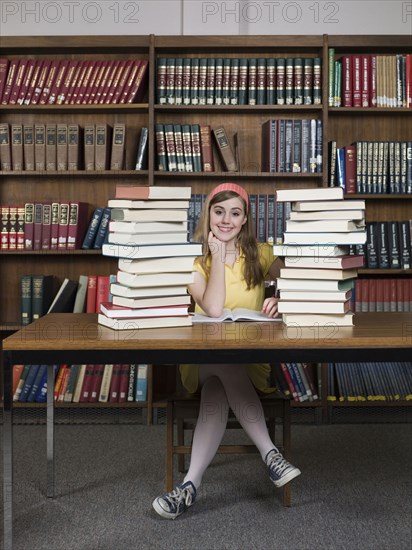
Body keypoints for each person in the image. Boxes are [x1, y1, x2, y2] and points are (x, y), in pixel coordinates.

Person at [152, 182, 301, 520]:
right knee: (220, 362)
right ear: (208, 214)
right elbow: (215, 310)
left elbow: (301, 282)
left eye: (235, 213)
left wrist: (283, 298)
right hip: (201, 360)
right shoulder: (192, 260)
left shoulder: (261, 254)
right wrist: (217, 256)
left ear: (245, 219)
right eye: (218, 211)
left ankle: (188, 486)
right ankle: (271, 456)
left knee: (219, 386)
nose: (226, 220)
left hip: (250, 362)